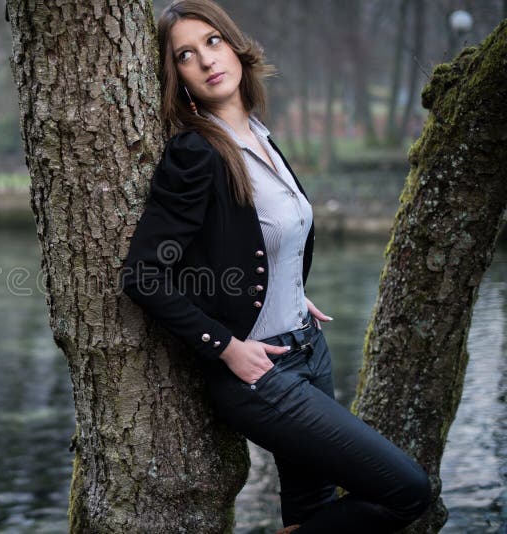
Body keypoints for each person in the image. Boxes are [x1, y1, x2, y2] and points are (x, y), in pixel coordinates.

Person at [119, 1, 432, 532]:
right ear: (178, 79)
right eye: (186, 55)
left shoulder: (259, 135)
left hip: (310, 349)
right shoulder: (196, 151)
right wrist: (226, 346)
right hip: (258, 373)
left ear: (236, 46)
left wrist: (283, 284)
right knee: (409, 492)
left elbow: (255, 235)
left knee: (310, 513)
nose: (206, 60)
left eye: (213, 41)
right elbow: (144, 273)